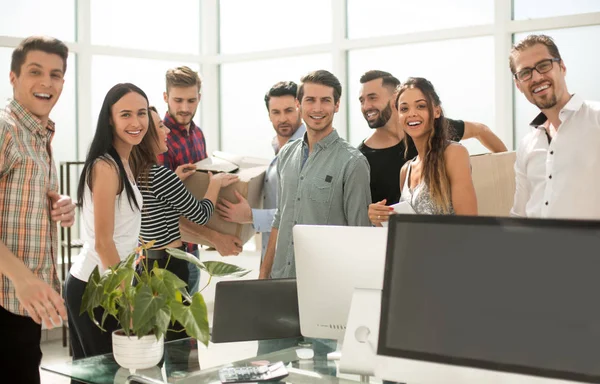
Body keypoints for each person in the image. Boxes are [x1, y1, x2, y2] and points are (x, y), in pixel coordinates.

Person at [0, 36, 76, 383]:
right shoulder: (5, 129)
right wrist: (22, 278)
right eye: (35, 72)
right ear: (13, 77)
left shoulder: (38, 136)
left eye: (56, 74)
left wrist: (58, 205)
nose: (47, 82)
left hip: (21, 309)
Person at [64, 83, 153, 359]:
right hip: (97, 287)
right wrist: (127, 304)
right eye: (125, 114)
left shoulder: (124, 162)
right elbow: (104, 243)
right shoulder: (105, 166)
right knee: (103, 375)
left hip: (110, 282)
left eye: (141, 113)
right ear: (110, 120)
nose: (136, 122)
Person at [135, 106, 238, 340]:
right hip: (171, 265)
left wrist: (176, 180)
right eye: (160, 126)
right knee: (178, 341)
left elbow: (157, 203)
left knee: (153, 338)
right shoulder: (161, 175)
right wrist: (215, 184)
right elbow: (201, 214)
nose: (167, 132)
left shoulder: (138, 172)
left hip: (146, 264)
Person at [260, 70, 372, 280]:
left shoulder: (353, 162)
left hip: (325, 284)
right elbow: (279, 219)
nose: (317, 108)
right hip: (280, 279)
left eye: (325, 100)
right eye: (310, 100)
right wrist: (263, 274)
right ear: (298, 104)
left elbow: (360, 235)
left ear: (336, 105)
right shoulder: (286, 154)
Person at [357, 70, 506, 205]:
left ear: (394, 100)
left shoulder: (440, 133)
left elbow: (480, 130)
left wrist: (508, 171)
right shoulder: (364, 158)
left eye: (372, 98)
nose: (366, 106)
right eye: (362, 101)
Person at [159, 66, 242, 295]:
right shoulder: (157, 141)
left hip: (193, 250)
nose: (185, 108)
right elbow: (163, 210)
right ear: (165, 97)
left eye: (191, 100)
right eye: (177, 100)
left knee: (184, 326)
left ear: (199, 98)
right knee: (169, 328)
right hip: (166, 253)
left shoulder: (197, 135)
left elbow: (201, 193)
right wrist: (216, 239)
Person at [509, 34, 600, 219]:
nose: (536, 77)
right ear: (518, 85)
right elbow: (519, 215)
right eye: (525, 73)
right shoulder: (527, 144)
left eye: (543, 65)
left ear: (562, 67)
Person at [216, 81, 305, 261]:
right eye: (276, 112)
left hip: (296, 260)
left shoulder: (307, 151)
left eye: (289, 111)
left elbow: (304, 213)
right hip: (272, 257)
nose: (282, 119)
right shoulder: (278, 148)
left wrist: (250, 216)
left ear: (300, 109)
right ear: (269, 115)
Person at [369, 77, 477, 223]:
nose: (412, 113)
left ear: (437, 111)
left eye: (421, 106)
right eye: (404, 109)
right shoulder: (405, 171)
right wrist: (380, 219)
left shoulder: (454, 154)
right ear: (399, 116)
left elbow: (469, 225)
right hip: (412, 246)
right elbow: (406, 230)